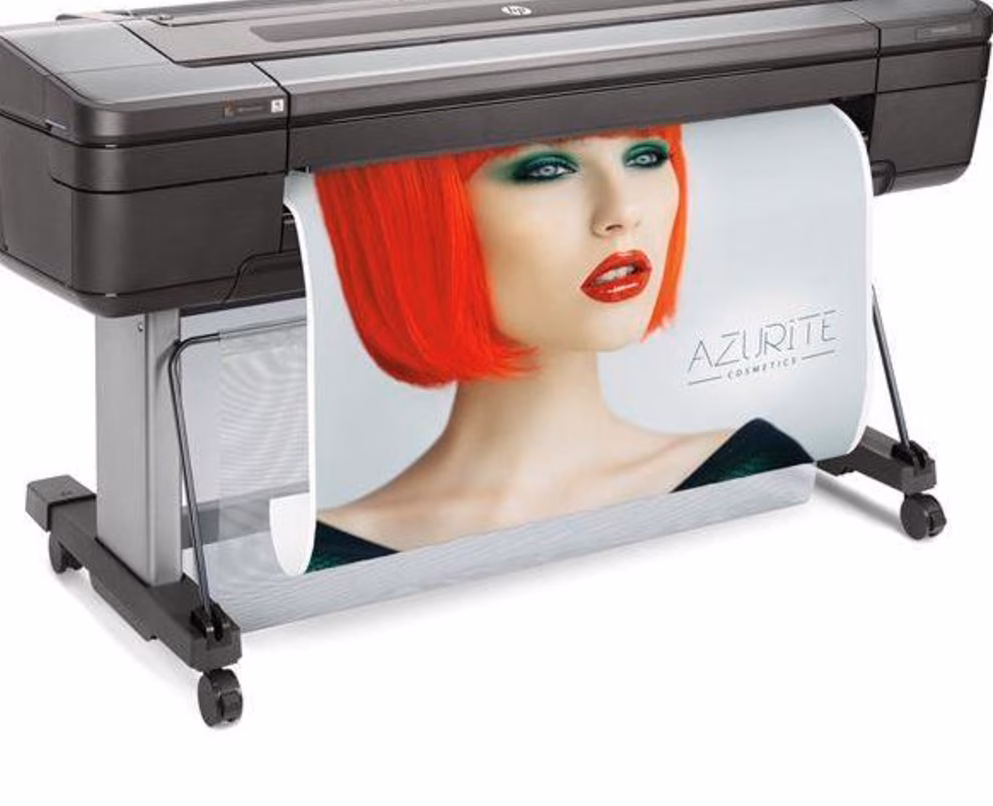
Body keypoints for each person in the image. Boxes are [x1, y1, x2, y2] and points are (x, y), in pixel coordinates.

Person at [294, 124, 810, 572]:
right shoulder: (316, 555)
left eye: (647, 156)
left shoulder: (755, 468)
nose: (622, 211)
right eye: (546, 170)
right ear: (410, 215)